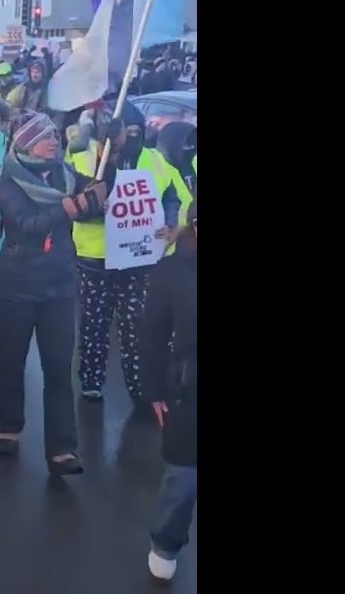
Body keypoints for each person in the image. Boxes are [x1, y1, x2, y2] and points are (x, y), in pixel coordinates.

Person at [0, 113, 105, 477]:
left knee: (57, 369)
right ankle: (8, 428)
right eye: (43, 137)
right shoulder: (7, 182)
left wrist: (107, 170)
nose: (53, 142)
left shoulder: (65, 174)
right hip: (15, 288)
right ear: (24, 144)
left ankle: (62, 449)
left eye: (54, 135)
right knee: (12, 362)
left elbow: (96, 198)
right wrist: (71, 207)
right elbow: (26, 225)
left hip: (59, 287)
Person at [67, 102, 183, 409]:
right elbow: (71, 201)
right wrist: (94, 205)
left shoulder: (154, 159)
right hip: (95, 258)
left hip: (138, 258)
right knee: (95, 322)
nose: (129, 139)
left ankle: (141, 388)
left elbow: (171, 195)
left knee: (137, 325)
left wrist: (171, 222)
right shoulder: (86, 157)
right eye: (123, 134)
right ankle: (91, 382)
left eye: (136, 133)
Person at [139, 199, 198, 581]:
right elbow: (153, 334)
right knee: (183, 476)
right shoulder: (173, 271)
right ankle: (166, 542)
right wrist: (155, 389)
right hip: (188, 390)